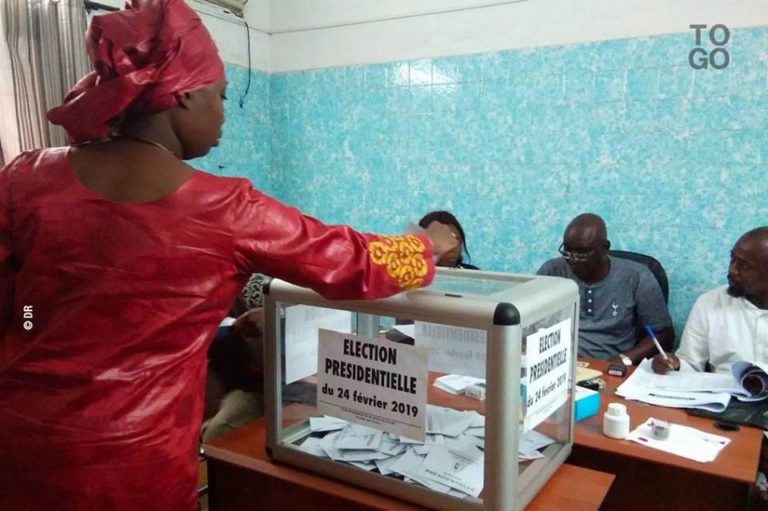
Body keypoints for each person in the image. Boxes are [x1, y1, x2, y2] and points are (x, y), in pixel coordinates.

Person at [0, 1, 458, 509]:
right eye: (219, 97)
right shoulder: (227, 209)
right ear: (184, 96)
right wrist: (426, 247)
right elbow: (349, 259)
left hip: (22, 443)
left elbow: (17, 305)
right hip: (133, 463)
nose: (224, 115)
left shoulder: (27, 176)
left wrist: (30, 327)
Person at [537, 213, 674, 364]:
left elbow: (663, 335)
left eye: (582, 253)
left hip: (610, 366)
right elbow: (530, 324)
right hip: (558, 364)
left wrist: (626, 359)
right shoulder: (552, 272)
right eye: (568, 251)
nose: (573, 259)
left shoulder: (636, 277)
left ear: (604, 248)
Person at [651, 226, 768, 375]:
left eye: (746, 266)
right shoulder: (710, 302)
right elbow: (690, 363)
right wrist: (674, 365)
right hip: (724, 394)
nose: (732, 270)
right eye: (733, 259)